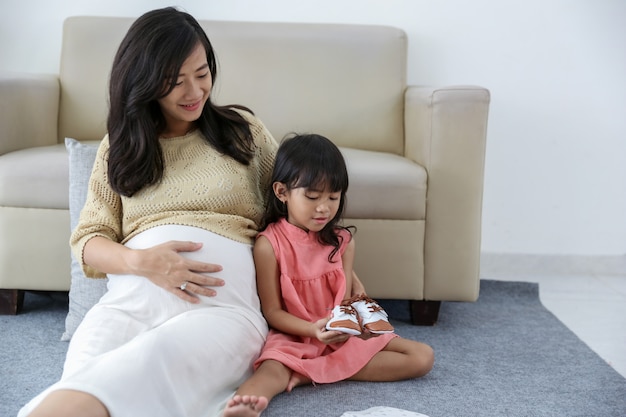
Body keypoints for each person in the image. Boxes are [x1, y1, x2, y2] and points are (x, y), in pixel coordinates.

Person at [19, 7, 282, 417]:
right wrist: (143, 262)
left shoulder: (242, 132)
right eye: (175, 82)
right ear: (144, 83)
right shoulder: (121, 147)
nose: (195, 91)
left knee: (147, 362)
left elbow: (295, 215)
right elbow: (88, 242)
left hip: (221, 308)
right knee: (82, 375)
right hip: (127, 305)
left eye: (202, 72)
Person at [223, 134, 435, 417]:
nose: (324, 207)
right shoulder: (269, 245)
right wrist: (312, 330)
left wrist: (355, 316)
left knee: (422, 357)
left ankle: (310, 373)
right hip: (295, 335)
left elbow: (344, 298)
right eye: (312, 197)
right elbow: (273, 312)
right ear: (281, 192)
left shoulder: (343, 241)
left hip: (339, 333)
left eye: (333, 197)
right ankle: (246, 406)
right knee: (272, 371)